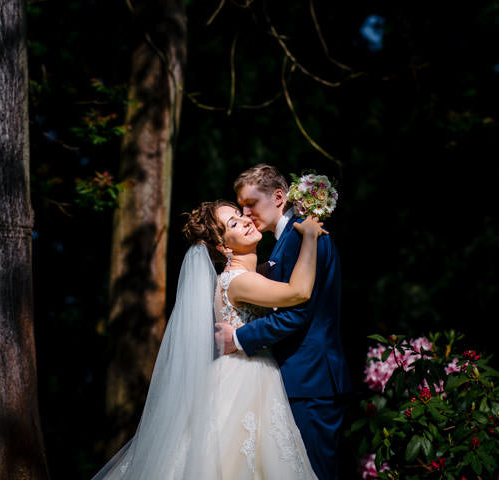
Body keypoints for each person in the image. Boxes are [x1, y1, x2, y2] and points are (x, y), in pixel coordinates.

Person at [91, 199, 327, 480]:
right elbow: (298, 292)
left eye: (240, 215)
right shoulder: (239, 281)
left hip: (243, 373)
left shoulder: (241, 276)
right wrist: (310, 236)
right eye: (234, 224)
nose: (247, 220)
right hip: (248, 378)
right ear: (224, 247)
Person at [215, 164, 352, 480]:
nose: (246, 214)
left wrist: (239, 338)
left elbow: (298, 312)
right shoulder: (286, 239)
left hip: (311, 378)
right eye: (241, 207)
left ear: (279, 197)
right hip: (298, 378)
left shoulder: (305, 234)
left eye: (251, 204)